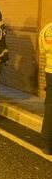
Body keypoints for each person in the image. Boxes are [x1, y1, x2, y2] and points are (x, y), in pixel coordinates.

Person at [39, 22, 52, 155]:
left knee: (50, 107)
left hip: (50, 71)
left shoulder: (46, 29)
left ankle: (47, 143)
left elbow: (43, 50)